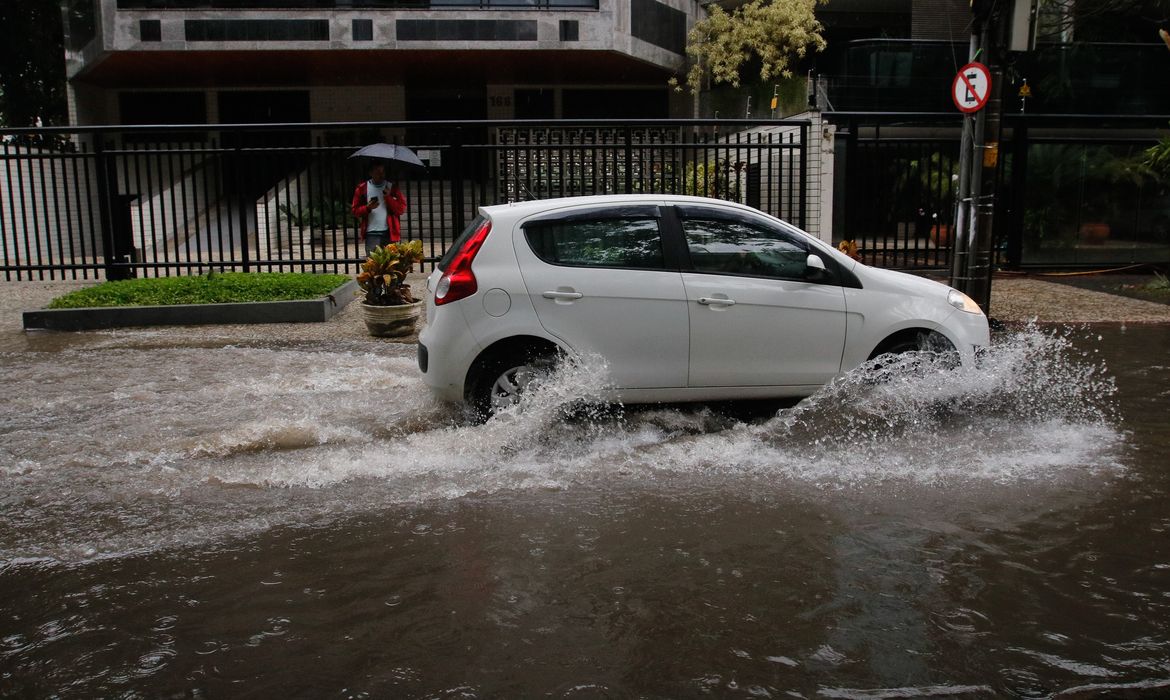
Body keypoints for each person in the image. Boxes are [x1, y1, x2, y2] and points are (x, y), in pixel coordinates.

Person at [351, 161, 407, 254]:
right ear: (370, 173)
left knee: (391, 266)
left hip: (390, 233)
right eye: (377, 172)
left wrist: (388, 197)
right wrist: (367, 208)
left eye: (382, 172)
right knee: (373, 266)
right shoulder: (362, 188)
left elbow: (401, 209)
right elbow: (355, 211)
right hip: (371, 233)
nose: (381, 175)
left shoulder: (391, 187)